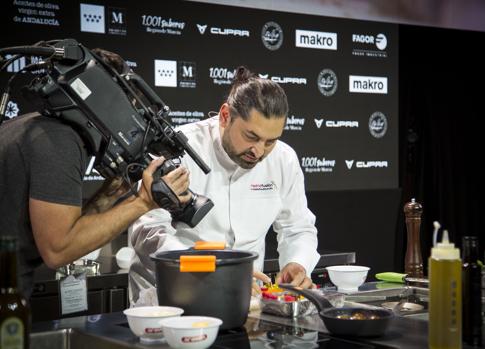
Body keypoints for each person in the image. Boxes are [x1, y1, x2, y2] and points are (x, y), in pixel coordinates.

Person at [0, 49, 190, 300]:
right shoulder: (58, 141)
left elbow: (70, 232)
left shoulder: (37, 127)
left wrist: (110, 194)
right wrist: (144, 201)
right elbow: (58, 250)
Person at [129, 66, 320, 306]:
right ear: (225, 115)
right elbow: (148, 231)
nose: (259, 151)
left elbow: (297, 227)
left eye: (270, 141)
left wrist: (297, 262)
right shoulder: (177, 150)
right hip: (169, 299)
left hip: (245, 302)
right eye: (251, 137)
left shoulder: (284, 159)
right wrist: (206, 266)